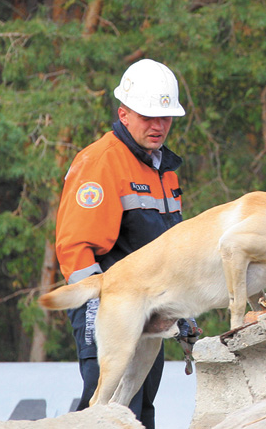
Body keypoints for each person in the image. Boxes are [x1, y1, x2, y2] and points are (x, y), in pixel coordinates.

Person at [53, 58, 193, 428]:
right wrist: (100, 311)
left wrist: (182, 308)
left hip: (150, 310)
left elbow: (169, 253)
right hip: (111, 308)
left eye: (165, 117)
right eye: (148, 116)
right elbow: (75, 248)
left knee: (140, 412)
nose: (158, 125)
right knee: (106, 412)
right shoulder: (100, 163)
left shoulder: (163, 170)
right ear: (124, 113)